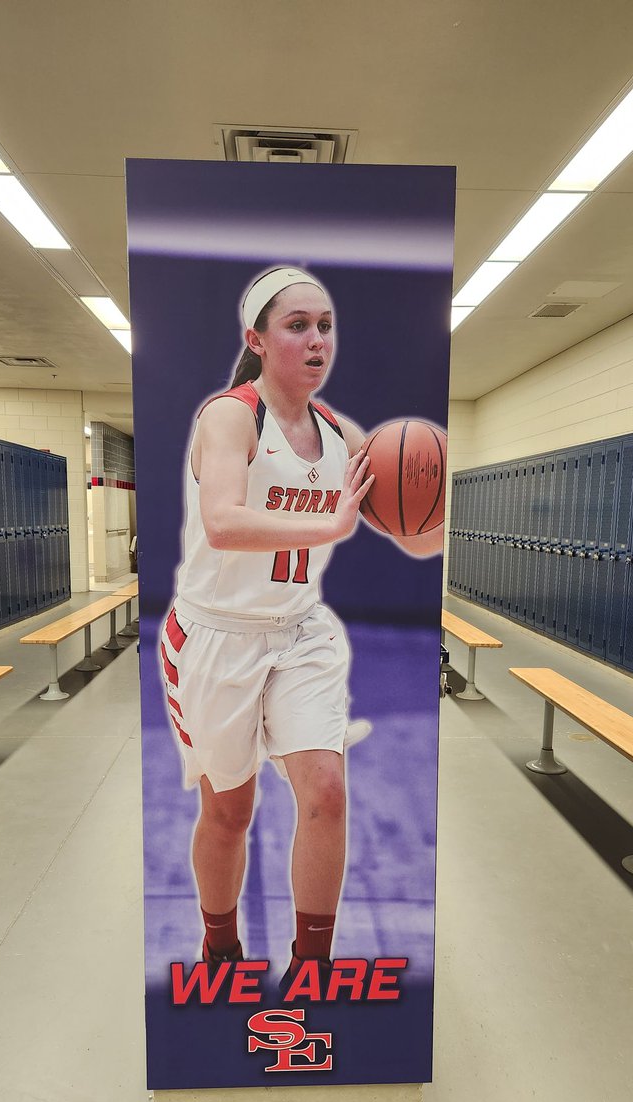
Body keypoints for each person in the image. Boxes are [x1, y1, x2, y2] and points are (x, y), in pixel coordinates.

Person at [159, 266, 442, 988]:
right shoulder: (230, 415)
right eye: (298, 326)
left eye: (325, 326)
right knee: (231, 811)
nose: (317, 340)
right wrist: (329, 518)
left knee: (327, 790)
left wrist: (436, 510)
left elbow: (410, 535)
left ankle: (312, 964)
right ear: (256, 339)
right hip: (215, 635)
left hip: (299, 634)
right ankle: (220, 945)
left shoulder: (343, 435)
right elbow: (222, 522)